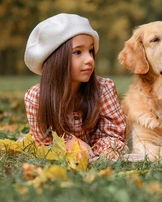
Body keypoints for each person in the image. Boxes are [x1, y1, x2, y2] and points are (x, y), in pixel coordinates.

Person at [24, 13, 127, 160]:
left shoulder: (104, 89)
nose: (90, 59)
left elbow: (114, 136)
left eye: (90, 50)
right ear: (56, 60)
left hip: (96, 151)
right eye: (77, 52)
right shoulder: (36, 97)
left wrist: (99, 151)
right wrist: (69, 144)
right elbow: (44, 143)